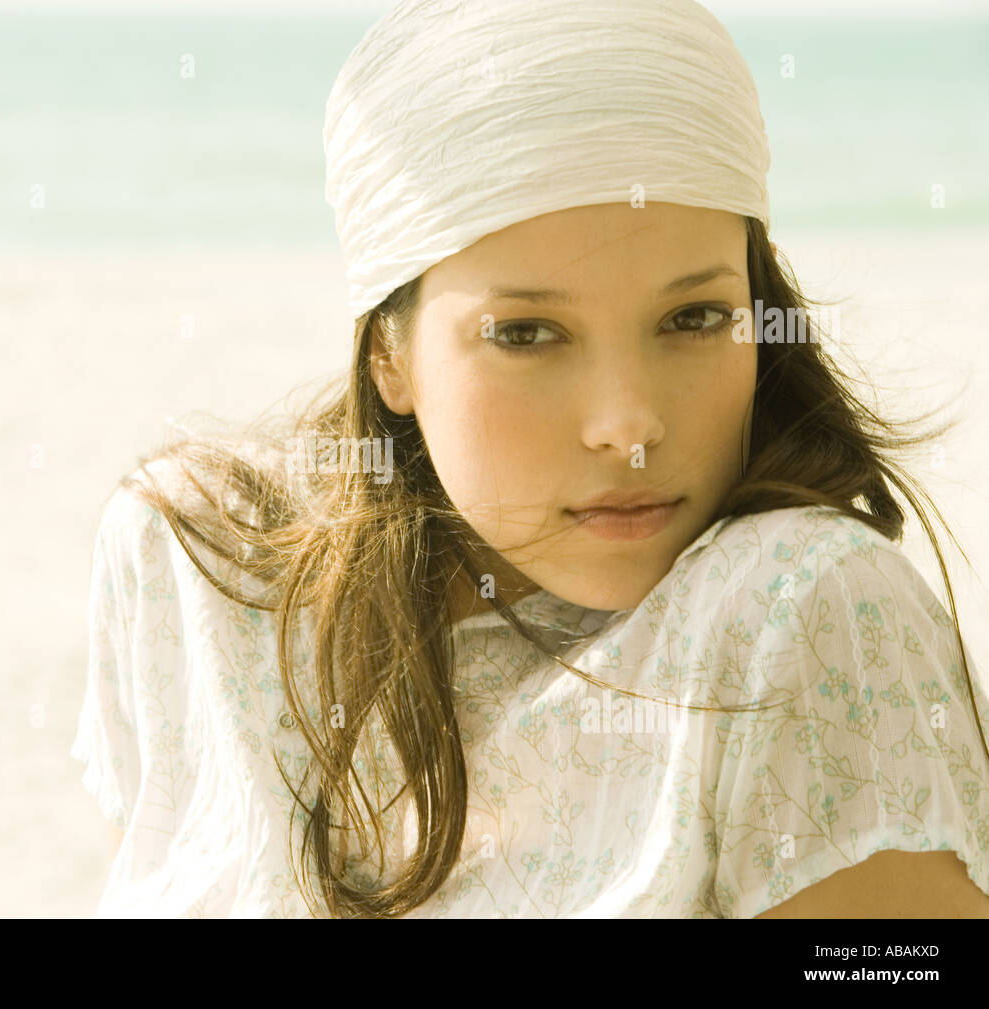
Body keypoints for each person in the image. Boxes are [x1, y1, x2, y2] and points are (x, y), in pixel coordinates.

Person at [71, 0, 989, 918]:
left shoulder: (804, 612)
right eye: (528, 333)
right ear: (390, 351)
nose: (629, 427)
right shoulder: (199, 570)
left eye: (694, 318)